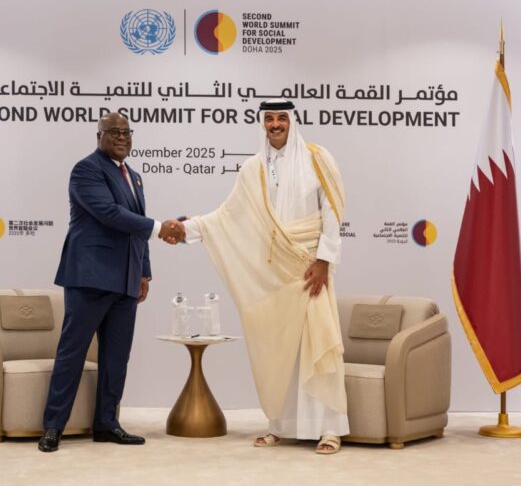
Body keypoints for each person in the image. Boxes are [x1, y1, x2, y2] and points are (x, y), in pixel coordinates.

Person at [178, 99, 348, 454]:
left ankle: (329, 429)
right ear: (262, 124)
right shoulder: (252, 168)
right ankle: (282, 426)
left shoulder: (317, 158)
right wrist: (187, 229)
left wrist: (324, 260)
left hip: (309, 268)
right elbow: (229, 215)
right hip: (274, 273)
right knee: (280, 349)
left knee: (316, 343)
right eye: (269, 119)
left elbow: (333, 211)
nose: (275, 124)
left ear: (292, 122)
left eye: (281, 118)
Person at [38, 112, 184, 452]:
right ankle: (53, 427)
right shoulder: (86, 170)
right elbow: (109, 213)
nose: (121, 137)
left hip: (126, 281)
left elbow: (135, 229)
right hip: (90, 277)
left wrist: (144, 272)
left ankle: (106, 424)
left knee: (117, 358)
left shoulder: (134, 177)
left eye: (127, 132)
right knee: (72, 353)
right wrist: (160, 228)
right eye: (114, 132)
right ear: (99, 136)